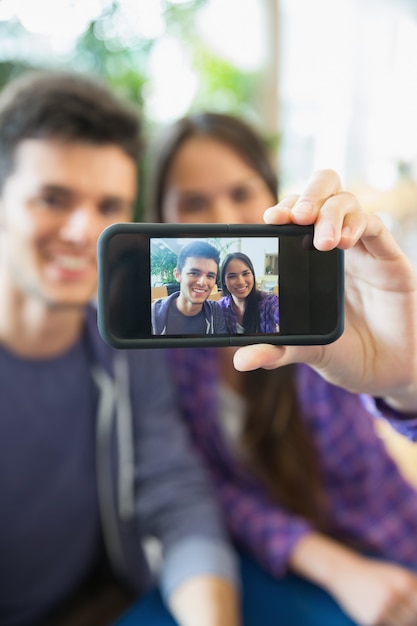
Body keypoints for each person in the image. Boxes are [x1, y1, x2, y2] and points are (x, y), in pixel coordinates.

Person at [149, 111, 417, 626]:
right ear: (161, 218)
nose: (222, 216)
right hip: (274, 572)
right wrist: (334, 568)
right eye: (193, 202)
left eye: (241, 192)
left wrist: (406, 385)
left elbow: (383, 445)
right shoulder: (172, 344)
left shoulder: (308, 313)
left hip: (390, 550)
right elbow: (204, 487)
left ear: (273, 198)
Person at [0, 74, 240, 626]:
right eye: (52, 199)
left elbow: (175, 495)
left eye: (109, 205)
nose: (85, 231)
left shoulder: (128, 344)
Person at [151, 240, 227, 335]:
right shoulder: (154, 315)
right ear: (178, 275)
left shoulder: (216, 312)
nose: (202, 282)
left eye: (210, 276)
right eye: (194, 273)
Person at [218, 252, 279, 334]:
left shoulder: (269, 302)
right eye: (232, 276)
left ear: (253, 276)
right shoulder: (220, 308)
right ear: (224, 281)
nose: (241, 282)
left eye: (246, 274)